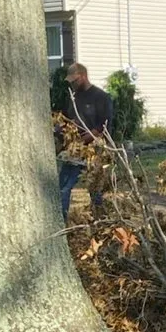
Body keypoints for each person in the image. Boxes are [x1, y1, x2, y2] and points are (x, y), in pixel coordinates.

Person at [58, 63, 113, 219]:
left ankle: (100, 222)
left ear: (82, 76)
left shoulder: (101, 97)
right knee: (63, 187)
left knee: (95, 190)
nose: (72, 84)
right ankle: (62, 221)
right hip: (74, 151)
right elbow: (69, 120)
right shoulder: (74, 98)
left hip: (94, 151)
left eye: (74, 80)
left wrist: (81, 142)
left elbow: (103, 127)